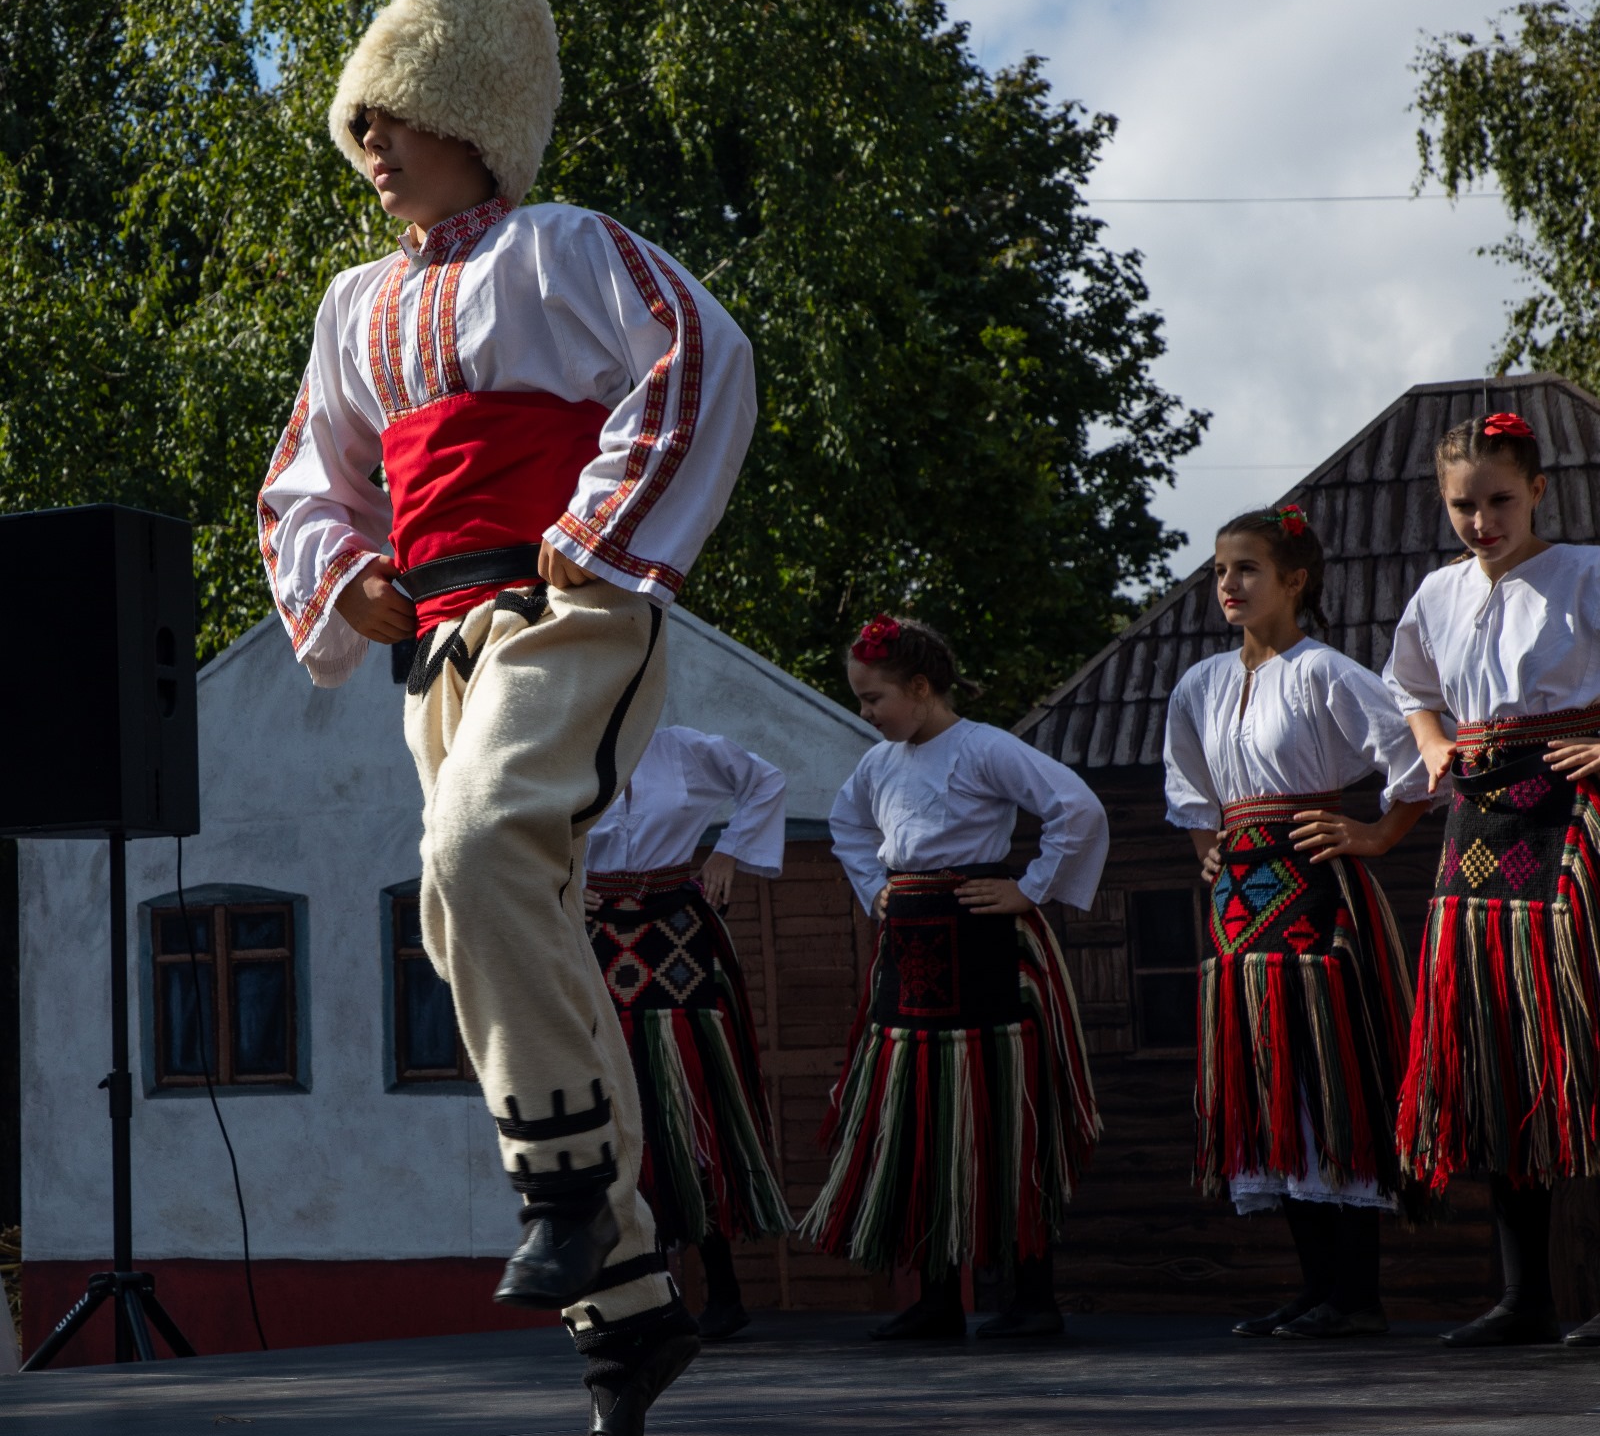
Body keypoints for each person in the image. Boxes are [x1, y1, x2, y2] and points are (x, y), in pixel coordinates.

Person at [255, 0, 756, 1436]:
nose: (374, 142)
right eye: (363, 122)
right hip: (444, 645)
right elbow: (301, 482)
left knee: (477, 854)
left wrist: (597, 534)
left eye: (398, 112)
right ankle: (623, 1304)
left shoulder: (564, 246)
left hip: (569, 612)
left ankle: (561, 1188)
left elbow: (700, 357)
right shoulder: (355, 304)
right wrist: (353, 573)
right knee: (475, 909)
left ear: (476, 111)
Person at [1165, 505, 1432, 1341]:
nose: (1229, 585)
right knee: (1269, 1084)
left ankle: (1357, 1295)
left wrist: (1377, 833)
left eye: (1246, 569)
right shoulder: (1201, 683)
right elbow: (1187, 782)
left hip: (1315, 896)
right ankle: (1317, 1288)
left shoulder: (1325, 672)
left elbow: (1416, 754)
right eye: (1219, 572)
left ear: (1294, 580)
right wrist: (1209, 846)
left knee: (1328, 1079)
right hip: (1240, 909)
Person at [803, 614, 1106, 1341]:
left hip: (984, 944)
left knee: (1003, 1115)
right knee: (917, 1119)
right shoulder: (876, 767)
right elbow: (846, 826)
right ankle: (937, 1300)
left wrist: (1030, 887)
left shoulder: (985, 748)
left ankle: (1033, 1300)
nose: (866, 714)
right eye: (861, 701)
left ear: (921, 686)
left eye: (875, 699)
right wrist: (872, 884)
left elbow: (1077, 807)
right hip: (908, 955)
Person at [1386, 411, 1600, 1348]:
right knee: (1493, 1049)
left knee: (1586, 1047)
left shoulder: (1588, 574)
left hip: (1578, 827)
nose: (1482, 521)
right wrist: (1432, 742)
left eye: (1500, 500)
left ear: (1540, 490)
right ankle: (1526, 1299)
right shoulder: (1436, 593)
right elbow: (1411, 688)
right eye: (1463, 505)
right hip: (1476, 831)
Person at [582, 725, 793, 1340]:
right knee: (618, 1111)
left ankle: (722, 1293)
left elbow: (766, 780)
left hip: (679, 935)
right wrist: (561, 884)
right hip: (597, 942)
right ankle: (635, 1296)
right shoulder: (557, 746)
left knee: (692, 1105)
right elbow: (515, 832)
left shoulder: (683, 747)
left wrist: (729, 849)